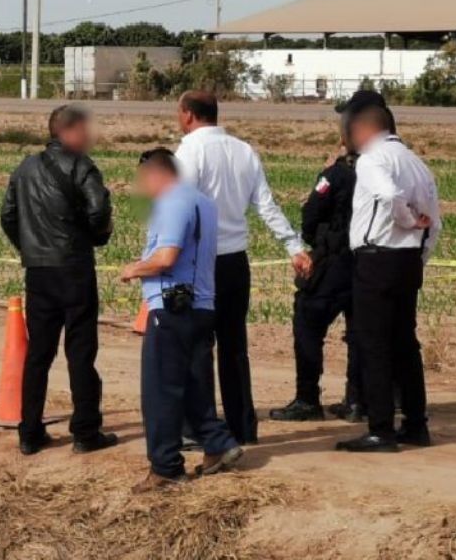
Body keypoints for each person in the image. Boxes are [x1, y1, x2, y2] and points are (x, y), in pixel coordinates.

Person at [174, 91, 311, 444]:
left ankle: (201, 429)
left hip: (200, 263)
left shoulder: (190, 150)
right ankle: (242, 426)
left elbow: (182, 208)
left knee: (197, 346)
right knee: (234, 347)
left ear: (188, 115)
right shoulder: (244, 150)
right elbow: (266, 206)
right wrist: (293, 246)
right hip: (236, 261)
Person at [121, 148, 242, 492]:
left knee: (160, 389)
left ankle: (166, 466)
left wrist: (134, 269)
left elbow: (166, 257)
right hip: (201, 305)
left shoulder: (171, 202)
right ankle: (217, 444)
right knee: (194, 382)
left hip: (171, 307)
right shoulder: (204, 202)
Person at [0, 104, 117, 456]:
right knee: (80, 352)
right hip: (74, 268)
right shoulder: (81, 166)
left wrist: (30, 248)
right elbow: (99, 209)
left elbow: (7, 215)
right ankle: (85, 432)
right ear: (72, 131)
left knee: (39, 353)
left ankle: (30, 432)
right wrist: (95, 236)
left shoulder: (25, 167)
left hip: (39, 272)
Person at [336, 104, 440, 452]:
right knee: (405, 345)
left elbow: (391, 195)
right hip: (408, 260)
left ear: (362, 130)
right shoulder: (416, 163)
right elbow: (435, 223)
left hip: (376, 260)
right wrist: (418, 254)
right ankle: (415, 425)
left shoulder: (371, 160)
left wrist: (407, 221)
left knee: (374, 344)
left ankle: (381, 429)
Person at [270, 119, 364, 422]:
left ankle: (308, 399)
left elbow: (311, 214)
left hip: (333, 261)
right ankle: (357, 400)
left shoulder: (334, 174)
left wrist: (329, 170)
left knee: (308, 324)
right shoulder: (381, 171)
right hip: (368, 263)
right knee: (360, 332)